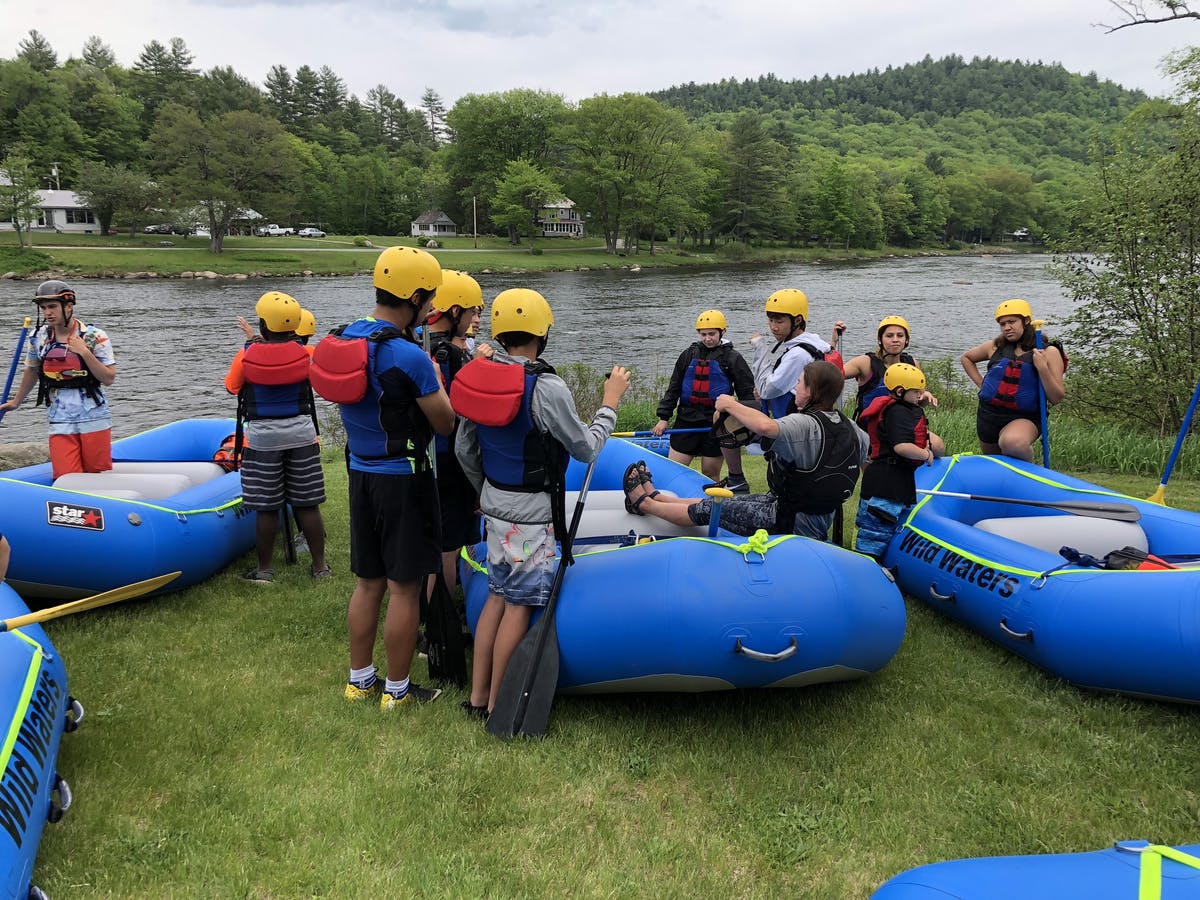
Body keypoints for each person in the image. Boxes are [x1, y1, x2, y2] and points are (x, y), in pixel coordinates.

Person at [452, 288, 631, 718]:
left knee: (497, 594)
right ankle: (498, 704)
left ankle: (478, 697)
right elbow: (586, 449)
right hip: (531, 517)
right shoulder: (547, 387)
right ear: (542, 333)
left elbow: (463, 448)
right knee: (517, 603)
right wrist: (609, 404)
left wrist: (484, 492)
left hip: (494, 507)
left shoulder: (479, 373)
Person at [323, 246, 456, 710]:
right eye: (430, 298)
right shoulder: (406, 355)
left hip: (359, 473)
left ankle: (359, 680)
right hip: (405, 479)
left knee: (368, 582)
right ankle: (397, 692)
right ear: (415, 297)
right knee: (404, 587)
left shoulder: (345, 339)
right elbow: (445, 424)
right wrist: (436, 380)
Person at [624, 361, 867, 541]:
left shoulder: (803, 424)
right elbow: (864, 461)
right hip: (805, 513)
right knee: (724, 501)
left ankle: (644, 505)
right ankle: (659, 497)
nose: (795, 387)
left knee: (709, 510)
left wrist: (730, 403)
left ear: (811, 391)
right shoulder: (853, 429)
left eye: (799, 383)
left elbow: (765, 426)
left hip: (789, 522)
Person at [223, 291, 330, 583]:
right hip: (302, 434)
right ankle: (320, 567)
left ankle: (265, 570)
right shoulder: (307, 354)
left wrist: (252, 344)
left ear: (262, 326)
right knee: (307, 502)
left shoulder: (246, 355)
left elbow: (232, 387)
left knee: (267, 505)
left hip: (262, 438)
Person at [0, 280, 117, 479]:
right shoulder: (38, 337)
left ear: (68, 306)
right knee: (65, 476)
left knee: (97, 473)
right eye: (43, 308)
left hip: (93, 413)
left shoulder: (94, 336)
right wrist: (16, 401)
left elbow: (108, 378)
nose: (47, 313)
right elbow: (32, 370)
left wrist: (84, 352)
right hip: (59, 414)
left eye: (52, 307)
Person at [424, 270, 487, 592]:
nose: (477, 317)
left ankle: (447, 601)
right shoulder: (454, 354)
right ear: (454, 310)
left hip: (428, 456)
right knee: (450, 544)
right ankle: (446, 611)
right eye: (474, 311)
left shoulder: (419, 345)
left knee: (444, 536)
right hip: (452, 458)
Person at [651, 309, 756, 492]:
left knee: (709, 473)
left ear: (722, 332)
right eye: (704, 334)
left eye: (712, 334)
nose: (707, 339)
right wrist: (663, 417)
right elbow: (674, 388)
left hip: (715, 422)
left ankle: (709, 510)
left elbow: (746, 392)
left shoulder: (732, 358)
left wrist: (745, 420)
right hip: (686, 420)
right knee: (675, 470)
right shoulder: (688, 355)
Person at [854, 363, 946, 560]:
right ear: (899, 391)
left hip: (878, 477)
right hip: (889, 484)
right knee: (876, 533)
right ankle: (867, 567)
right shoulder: (900, 413)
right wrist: (926, 455)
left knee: (871, 527)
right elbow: (901, 447)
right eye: (916, 392)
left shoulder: (890, 405)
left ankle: (871, 562)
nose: (920, 396)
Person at [960, 299, 1065, 463]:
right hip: (988, 415)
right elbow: (966, 358)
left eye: (1012, 322)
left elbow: (1056, 397)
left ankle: (1031, 478)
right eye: (1002, 324)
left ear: (1026, 321)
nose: (1007, 327)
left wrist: (1043, 368)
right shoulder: (995, 346)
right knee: (995, 463)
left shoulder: (1048, 351)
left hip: (1024, 417)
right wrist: (982, 384)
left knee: (1012, 443)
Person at [749, 289, 835, 423]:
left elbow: (766, 390)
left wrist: (759, 347)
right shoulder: (815, 342)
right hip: (805, 418)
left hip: (794, 425)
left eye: (779, 321)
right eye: (771, 320)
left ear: (797, 320)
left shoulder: (798, 355)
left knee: (724, 413)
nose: (773, 327)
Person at [841, 315, 937, 419]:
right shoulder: (865, 363)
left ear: (906, 340)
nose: (895, 340)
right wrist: (833, 344)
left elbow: (918, 401)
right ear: (880, 339)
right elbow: (832, 375)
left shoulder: (912, 364)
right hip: (870, 430)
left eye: (900, 335)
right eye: (889, 336)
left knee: (935, 436)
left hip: (901, 426)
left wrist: (926, 397)